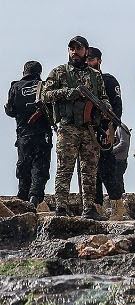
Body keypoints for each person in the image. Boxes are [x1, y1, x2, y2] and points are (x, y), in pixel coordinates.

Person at [39, 36, 110, 217]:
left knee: (89, 170)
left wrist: (106, 108)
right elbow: (45, 95)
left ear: (86, 51)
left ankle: (89, 207)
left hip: (89, 128)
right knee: (65, 168)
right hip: (68, 127)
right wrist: (69, 93)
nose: (75, 52)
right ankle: (61, 206)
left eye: (79, 49)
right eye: (72, 49)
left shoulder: (95, 75)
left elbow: (103, 97)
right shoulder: (59, 72)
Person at [5, 61, 51, 207]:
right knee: (40, 167)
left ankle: (22, 197)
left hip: (23, 135)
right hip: (42, 134)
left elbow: (10, 111)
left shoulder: (15, 87)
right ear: (39, 73)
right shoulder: (44, 86)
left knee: (24, 166)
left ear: (24, 72)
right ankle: (34, 198)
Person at [85, 47, 126, 206]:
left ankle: (117, 205)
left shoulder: (108, 80)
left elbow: (117, 107)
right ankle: (96, 207)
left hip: (104, 129)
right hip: (86, 130)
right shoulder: (80, 81)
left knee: (107, 168)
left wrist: (112, 128)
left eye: (91, 59)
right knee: (90, 171)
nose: (88, 63)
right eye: (86, 59)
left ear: (99, 61)